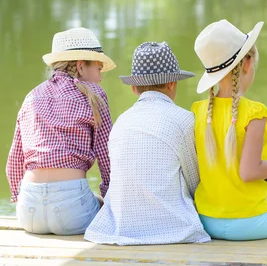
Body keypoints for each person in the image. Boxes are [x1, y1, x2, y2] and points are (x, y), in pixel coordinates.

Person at [191, 19, 267, 241]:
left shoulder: (198, 112)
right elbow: (249, 172)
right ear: (247, 64)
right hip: (248, 223)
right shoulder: (255, 113)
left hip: (206, 220)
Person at [84, 42, 210, 245]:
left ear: (134, 88)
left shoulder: (122, 122)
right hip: (174, 229)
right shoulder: (184, 120)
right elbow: (195, 182)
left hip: (122, 227)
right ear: (172, 84)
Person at [5, 27, 114, 235]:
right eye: (98, 69)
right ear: (81, 66)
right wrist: (111, 202)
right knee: (99, 204)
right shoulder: (95, 94)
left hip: (28, 213)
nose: (100, 78)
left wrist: (19, 197)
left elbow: (14, 160)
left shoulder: (32, 96)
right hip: (72, 211)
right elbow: (107, 159)